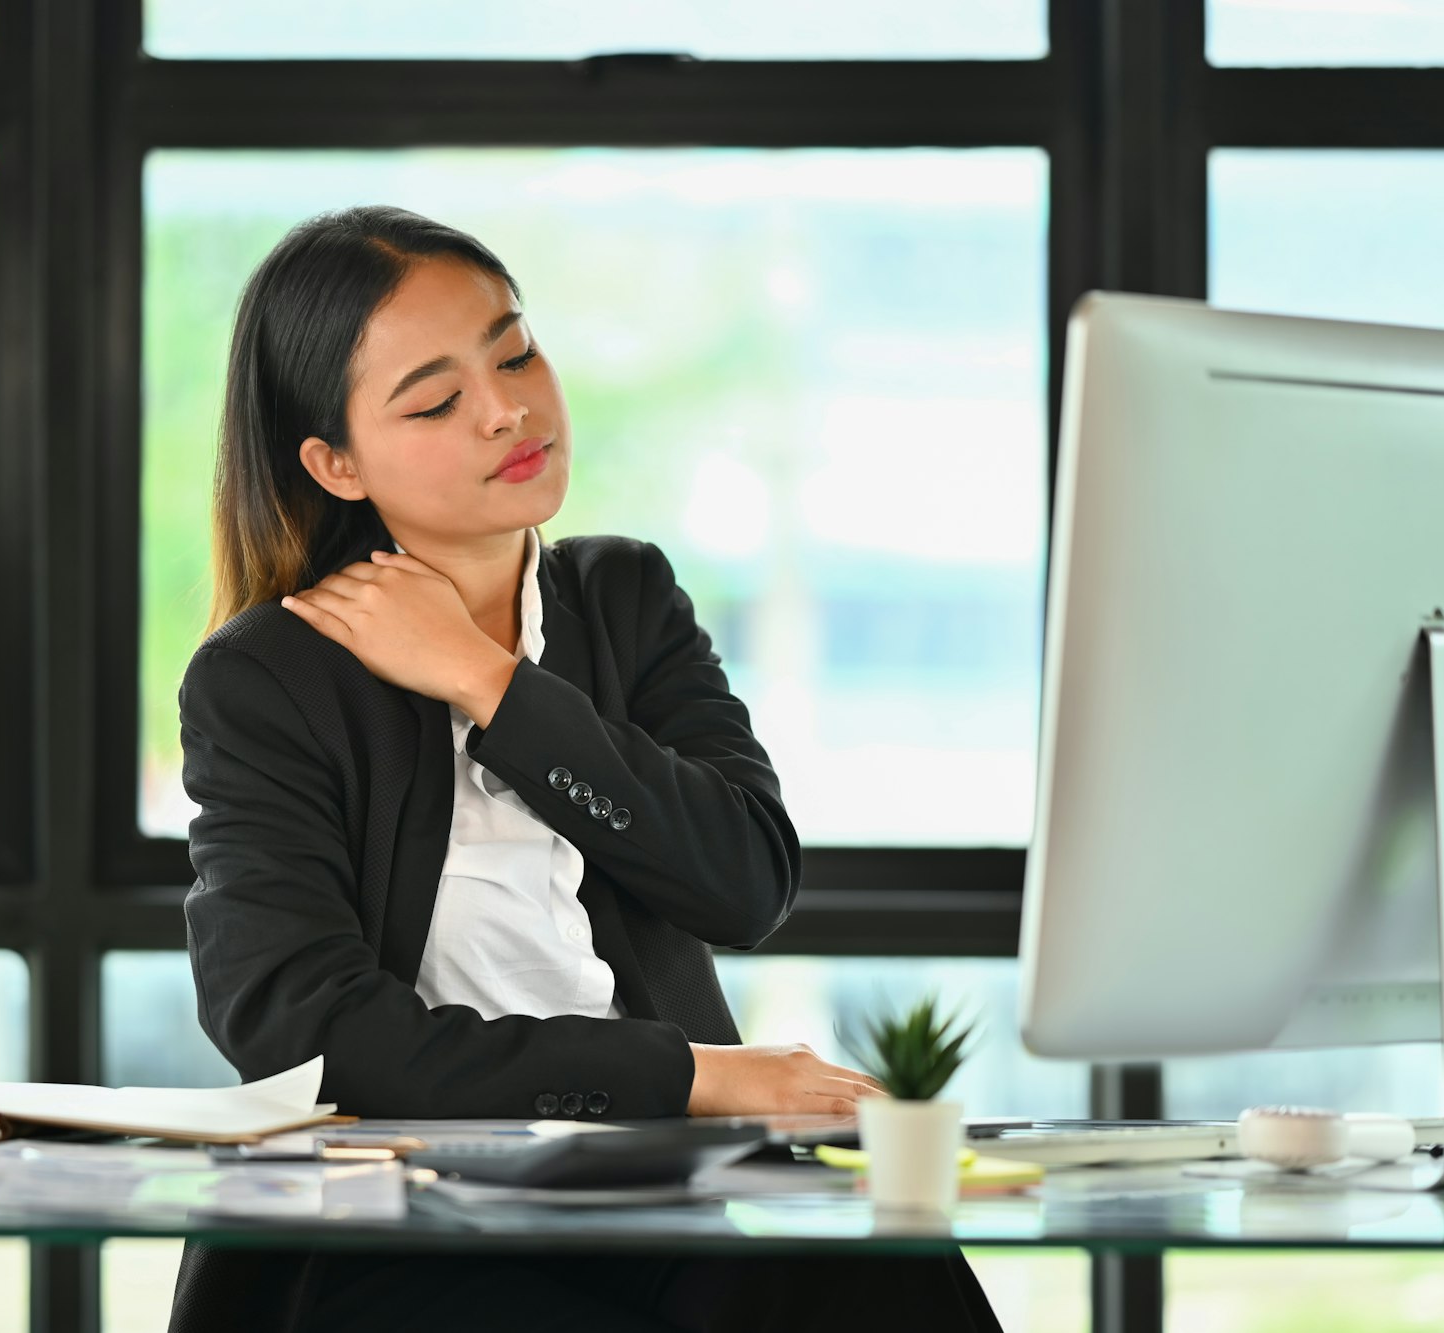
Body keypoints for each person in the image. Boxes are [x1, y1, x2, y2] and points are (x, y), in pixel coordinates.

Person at [170, 205, 1001, 1332]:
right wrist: (693, 1074)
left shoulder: (623, 601)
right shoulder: (268, 677)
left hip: (671, 1194)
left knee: (883, 1277)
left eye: (513, 351)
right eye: (434, 399)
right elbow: (307, 1032)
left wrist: (490, 684)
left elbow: (744, 882)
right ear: (334, 462)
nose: (507, 409)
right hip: (409, 1222)